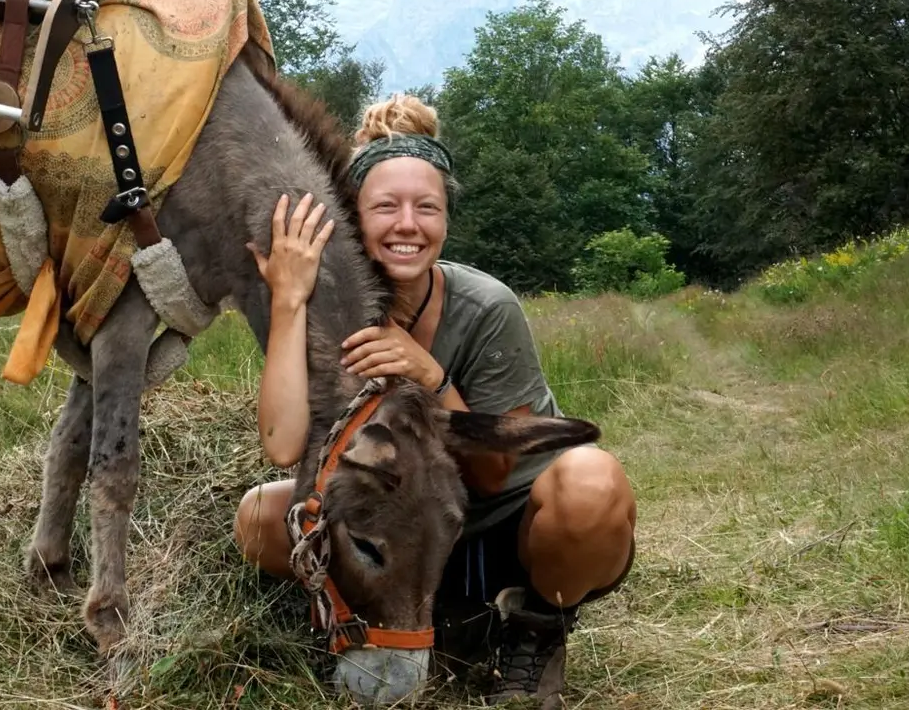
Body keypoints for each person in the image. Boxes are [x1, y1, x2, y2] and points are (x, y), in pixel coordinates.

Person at [231, 94, 637, 707]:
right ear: (351, 217)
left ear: (446, 221)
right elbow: (283, 444)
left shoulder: (486, 306)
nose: (407, 224)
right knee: (260, 520)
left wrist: (433, 378)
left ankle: (537, 628)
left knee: (592, 485)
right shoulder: (325, 304)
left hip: (499, 524)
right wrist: (288, 301)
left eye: (427, 207)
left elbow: (498, 476)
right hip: (397, 525)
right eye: (384, 206)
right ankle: (413, 615)